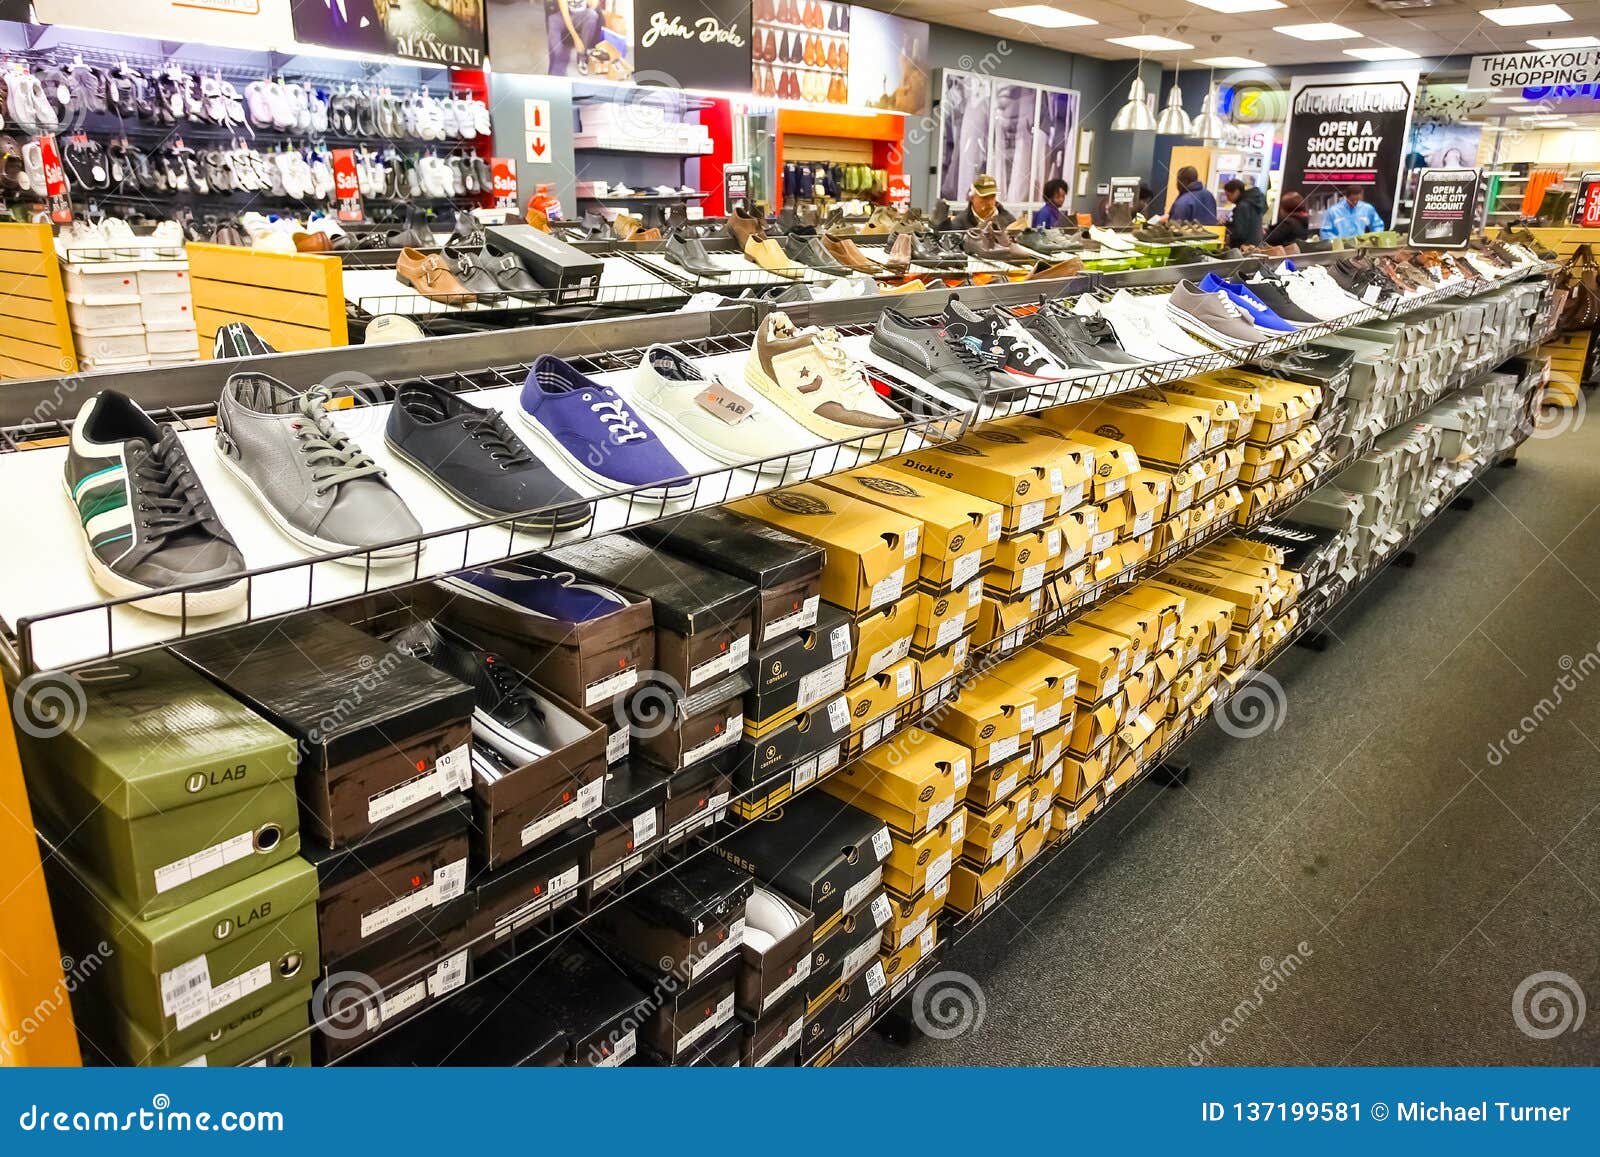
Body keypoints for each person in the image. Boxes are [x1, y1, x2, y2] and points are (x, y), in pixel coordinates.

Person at [1320, 184, 1385, 238]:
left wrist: (1373, 237)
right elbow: (1325, 231)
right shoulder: (1333, 211)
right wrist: (1336, 241)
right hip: (1341, 247)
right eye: (1352, 200)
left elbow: (1378, 225)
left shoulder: (1367, 208)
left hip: (1361, 245)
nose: (1355, 202)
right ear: (1346, 197)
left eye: (1357, 200)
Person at [1223, 178, 1267, 248]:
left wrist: (1225, 229)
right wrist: (1228, 223)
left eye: (1228, 195)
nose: (1228, 199)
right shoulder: (1254, 202)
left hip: (1245, 247)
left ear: (1236, 192)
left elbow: (1239, 233)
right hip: (1256, 244)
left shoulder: (1242, 206)